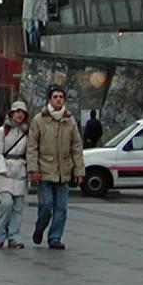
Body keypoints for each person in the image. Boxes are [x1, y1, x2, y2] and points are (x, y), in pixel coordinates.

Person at [27, 86, 82, 249]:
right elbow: (32, 147)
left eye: (61, 97)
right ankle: (40, 228)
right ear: (49, 100)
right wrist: (33, 169)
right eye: (55, 97)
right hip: (44, 170)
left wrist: (79, 170)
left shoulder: (69, 120)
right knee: (46, 205)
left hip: (63, 171)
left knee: (61, 208)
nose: (58, 99)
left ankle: (55, 237)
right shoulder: (39, 120)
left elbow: (76, 147)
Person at [0, 101, 30, 249]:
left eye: (22, 112)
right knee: (6, 203)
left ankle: (14, 236)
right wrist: (1, 167)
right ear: (12, 113)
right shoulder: (3, 130)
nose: (20, 115)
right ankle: (0, 232)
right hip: (6, 171)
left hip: (20, 171)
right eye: (17, 112)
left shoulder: (27, 132)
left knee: (18, 207)